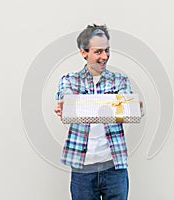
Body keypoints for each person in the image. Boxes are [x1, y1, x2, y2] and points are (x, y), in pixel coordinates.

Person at [54, 24, 141, 200]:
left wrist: (132, 106)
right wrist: (70, 106)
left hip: (114, 168)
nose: (105, 56)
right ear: (84, 52)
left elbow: (129, 109)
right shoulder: (69, 81)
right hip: (82, 172)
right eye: (98, 52)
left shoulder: (120, 80)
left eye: (107, 50)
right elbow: (69, 101)